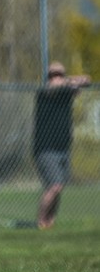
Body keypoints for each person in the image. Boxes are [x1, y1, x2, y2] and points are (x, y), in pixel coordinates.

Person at [32, 61, 91, 230]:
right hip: (46, 149)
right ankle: (41, 221)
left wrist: (69, 81)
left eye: (60, 75)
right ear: (48, 78)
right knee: (55, 185)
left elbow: (86, 80)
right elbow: (55, 89)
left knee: (59, 187)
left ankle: (50, 221)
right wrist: (66, 83)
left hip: (63, 147)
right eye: (53, 75)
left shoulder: (66, 93)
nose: (56, 79)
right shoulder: (44, 92)